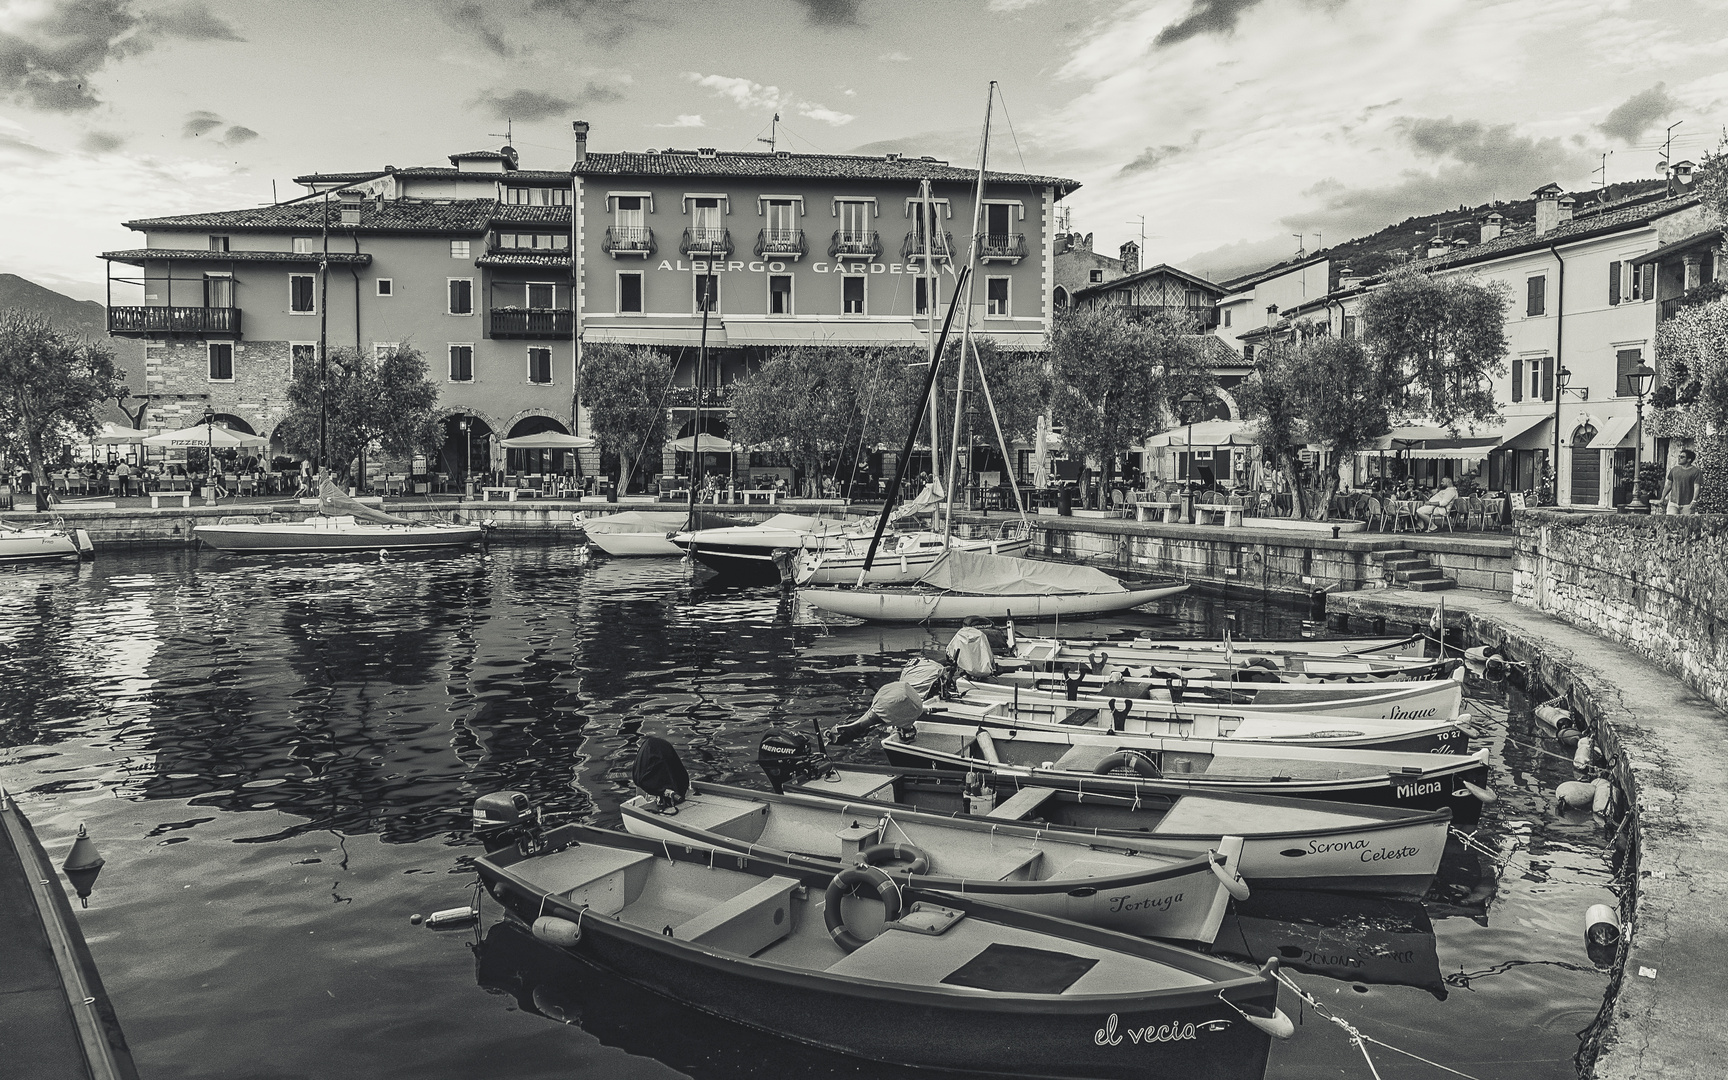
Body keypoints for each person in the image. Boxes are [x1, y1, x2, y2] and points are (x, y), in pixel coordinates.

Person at [1661, 448, 1702, 515]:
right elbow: (1668, 485)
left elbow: (1697, 487)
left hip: (1687, 504)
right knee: (1671, 523)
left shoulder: (1696, 472)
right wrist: (1662, 498)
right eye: (1679, 456)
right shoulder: (1674, 470)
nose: (1679, 458)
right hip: (1673, 503)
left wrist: (1694, 501)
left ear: (1689, 460)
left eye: (1682, 457)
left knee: (1686, 524)